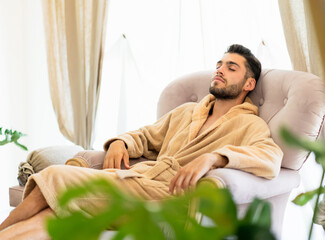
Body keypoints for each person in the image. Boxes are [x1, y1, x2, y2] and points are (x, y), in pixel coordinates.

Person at [0, 44, 283, 239]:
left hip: (170, 196)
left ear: (248, 84)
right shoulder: (187, 112)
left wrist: (214, 157)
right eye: (219, 64)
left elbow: (270, 158)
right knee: (54, 212)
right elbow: (146, 136)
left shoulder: (249, 124)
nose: (219, 69)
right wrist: (121, 142)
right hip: (140, 183)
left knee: (53, 175)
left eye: (231, 67)